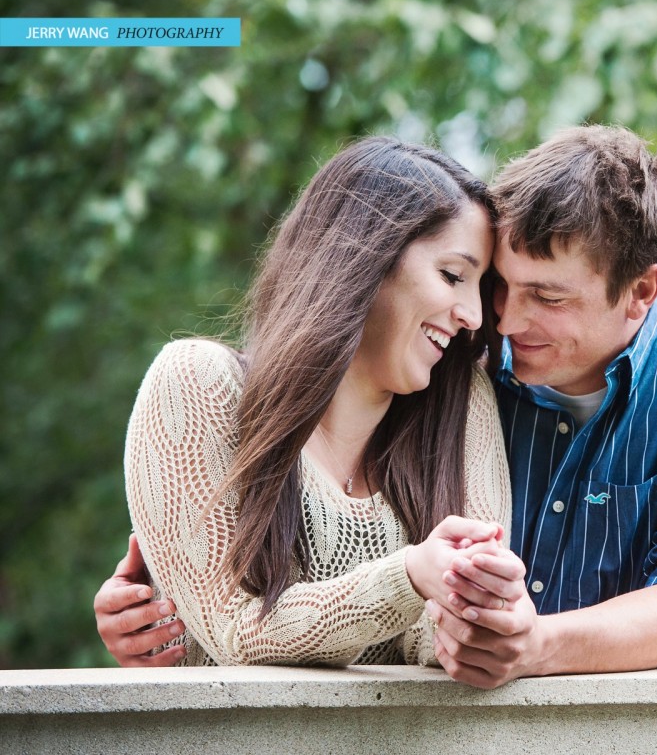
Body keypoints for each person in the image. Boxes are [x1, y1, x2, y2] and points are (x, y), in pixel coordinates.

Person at [97, 125, 657, 686]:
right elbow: (258, 598)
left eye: (547, 297)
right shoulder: (462, 369)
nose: (493, 318)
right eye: (495, 283)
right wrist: (174, 601)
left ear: (642, 293)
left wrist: (523, 641)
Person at [108, 136, 520, 666]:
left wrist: (478, 621)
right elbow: (233, 630)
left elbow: (442, 642)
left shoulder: (463, 405)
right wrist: (411, 578)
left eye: (479, 287)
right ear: (365, 257)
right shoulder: (197, 386)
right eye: (452, 275)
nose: (473, 315)